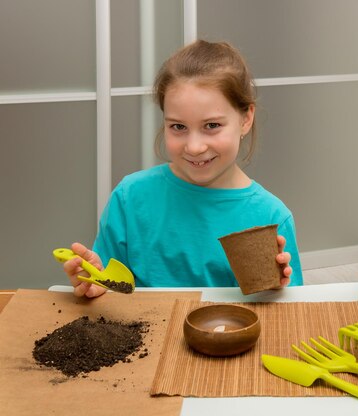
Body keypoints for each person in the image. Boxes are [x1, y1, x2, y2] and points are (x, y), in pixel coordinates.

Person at [62, 40, 302, 298]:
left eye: (211, 126)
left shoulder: (271, 216)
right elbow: (109, 285)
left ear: (245, 119)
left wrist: (276, 293)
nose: (195, 146)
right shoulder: (130, 197)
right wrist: (95, 281)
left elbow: (291, 314)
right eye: (178, 127)